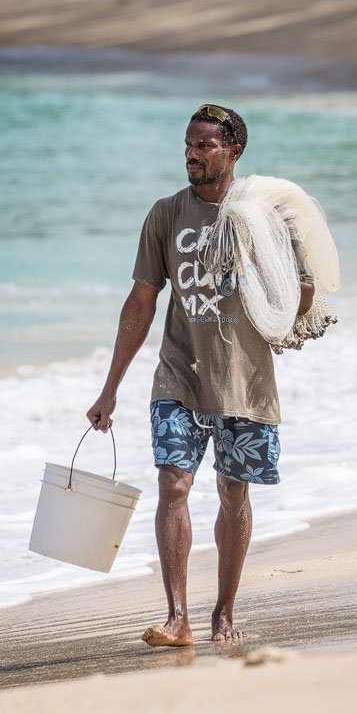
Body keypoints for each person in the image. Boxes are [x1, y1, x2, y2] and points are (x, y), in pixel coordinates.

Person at [86, 104, 315, 648]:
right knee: (174, 484)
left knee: (233, 493)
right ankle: (177, 618)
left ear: (233, 150)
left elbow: (302, 299)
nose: (192, 154)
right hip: (178, 376)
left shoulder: (271, 214)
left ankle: (225, 614)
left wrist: (264, 266)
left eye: (205, 146)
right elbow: (141, 303)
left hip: (246, 379)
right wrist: (110, 387)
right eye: (189, 145)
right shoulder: (166, 214)